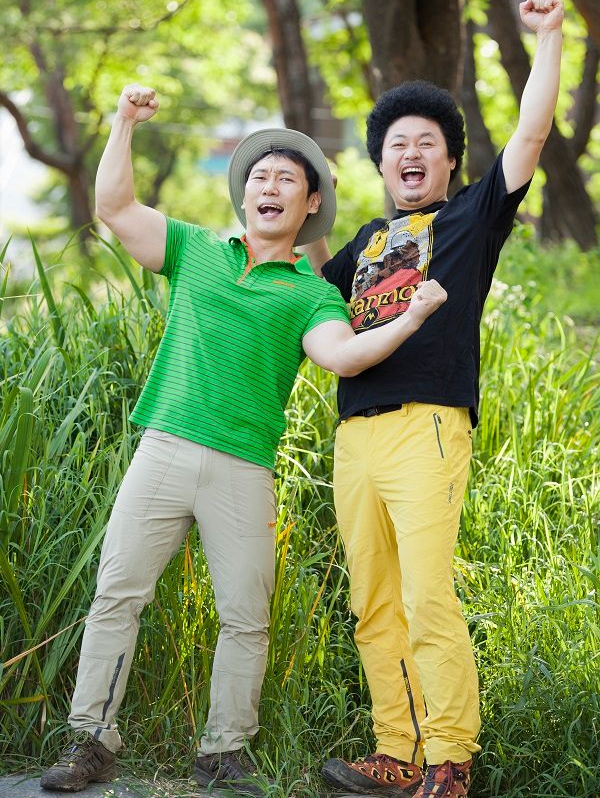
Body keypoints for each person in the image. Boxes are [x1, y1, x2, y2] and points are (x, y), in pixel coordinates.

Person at [40, 85, 448, 794]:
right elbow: (114, 207)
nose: (270, 186)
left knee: (246, 618)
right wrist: (123, 122)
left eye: (287, 179)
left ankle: (223, 752)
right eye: (260, 176)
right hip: (164, 447)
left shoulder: (313, 293)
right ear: (244, 194)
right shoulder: (196, 249)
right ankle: (92, 742)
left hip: (244, 468)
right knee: (116, 595)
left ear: (310, 203)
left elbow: (344, 356)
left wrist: (411, 318)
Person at [301, 0, 564, 798]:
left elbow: (531, 136)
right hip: (356, 435)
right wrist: (295, 197)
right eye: (397, 146)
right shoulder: (364, 243)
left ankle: (450, 760)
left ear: (450, 161)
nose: (411, 153)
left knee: (425, 595)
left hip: (429, 427)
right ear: (381, 167)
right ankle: (397, 752)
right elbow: (308, 292)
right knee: (373, 602)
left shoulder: (471, 218)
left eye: (427, 143)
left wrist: (549, 37)